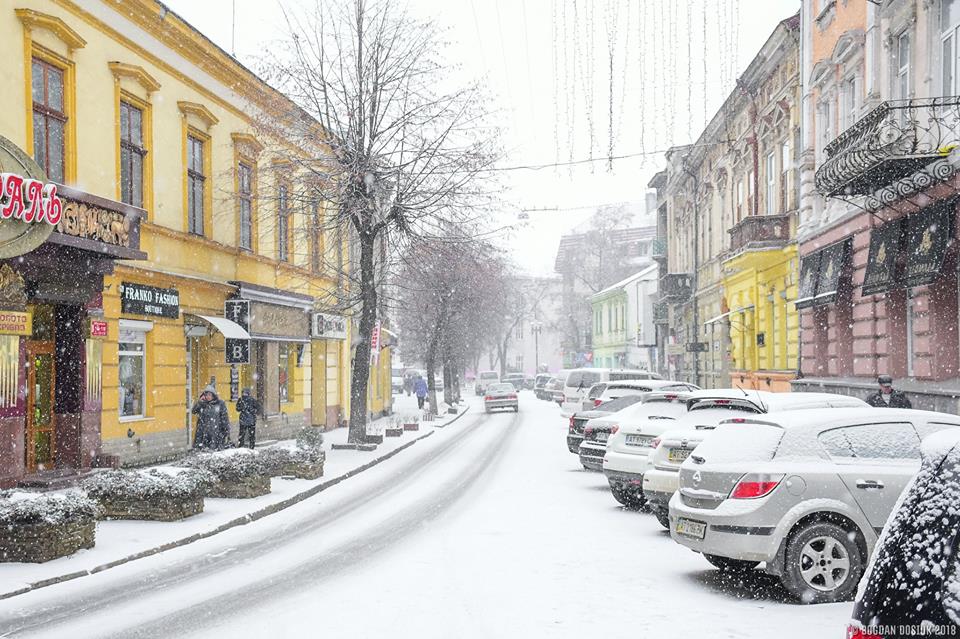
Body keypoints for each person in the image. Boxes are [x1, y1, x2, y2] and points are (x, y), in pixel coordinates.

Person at [192, 384, 231, 450]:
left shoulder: (220, 404)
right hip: (203, 434)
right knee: (203, 453)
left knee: (215, 452)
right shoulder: (202, 404)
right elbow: (194, 411)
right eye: (206, 395)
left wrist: (226, 430)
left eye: (209, 395)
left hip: (216, 433)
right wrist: (199, 402)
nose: (208, 396)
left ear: (213, 395)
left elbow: (224, 418)